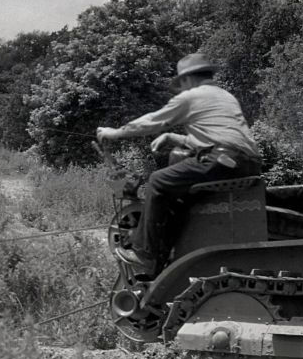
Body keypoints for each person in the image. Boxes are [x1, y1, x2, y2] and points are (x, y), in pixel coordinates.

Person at [94, 54, 264, 273]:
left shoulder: (191, 97)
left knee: (158, 181)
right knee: (180, 198)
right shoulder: (225, 97)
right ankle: (169, 254)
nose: (182, 89)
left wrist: (114, 133)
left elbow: (152, 122)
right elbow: (215, 138)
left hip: (222, 160)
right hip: (247, 163)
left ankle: (145, 253)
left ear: (187, 79)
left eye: (182, 83)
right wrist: (174, 138)